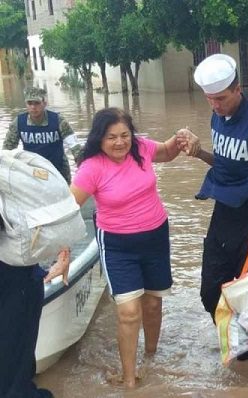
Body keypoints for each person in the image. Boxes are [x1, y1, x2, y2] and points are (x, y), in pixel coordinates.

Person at [176, 54, 248, 360]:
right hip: (223, 216)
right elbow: (228, 163)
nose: (215, 105)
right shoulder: (218, 117)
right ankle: (238, 342)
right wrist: (200, 152)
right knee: (209, 292)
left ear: (238, 89)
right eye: (209, 99)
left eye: (221, 98)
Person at [69, 107, 181, 387]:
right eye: (111, 137)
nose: (120, 142)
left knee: (153, 304)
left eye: (124, 135)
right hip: (118, 245)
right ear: (99, 139)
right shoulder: (91, 167)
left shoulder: (141, 147)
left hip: (155, 236)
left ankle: (151, 358)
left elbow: (166, 152)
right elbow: (69, 211)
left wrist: (180, 139)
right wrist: (63, 251)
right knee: (129, 312)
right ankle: (130, 380)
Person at [0, 222, 70, 398]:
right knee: (14, 382)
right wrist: (64, 251)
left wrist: (63, 252)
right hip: (16, 275)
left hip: (16, 272)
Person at [2, 87, 81, 184]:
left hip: (59, 169)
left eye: (37, 103)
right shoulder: (19, 122)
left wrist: (82, 163)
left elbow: (74, 145)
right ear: (26, 104)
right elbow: (7, 149)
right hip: (33, 171)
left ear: (44, 103)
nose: (33, 107)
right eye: (30, 103)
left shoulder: (58, 121)